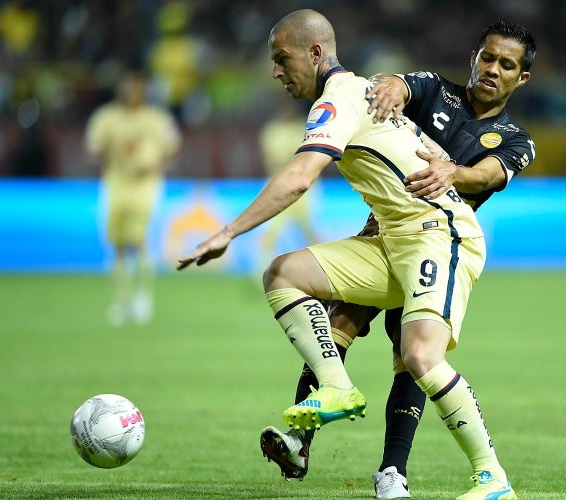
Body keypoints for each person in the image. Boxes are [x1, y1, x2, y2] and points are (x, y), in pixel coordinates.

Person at [178, 9, 517, 500]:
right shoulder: (364, 90)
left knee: (420, 355)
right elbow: (416, 126)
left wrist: (228, 232)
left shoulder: (337, 100)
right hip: (389, 236)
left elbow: (299, 178)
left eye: (281, 59)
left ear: (315, 54)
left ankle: (492, 478)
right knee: (283, 273)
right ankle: (335, 387)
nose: (275, 71)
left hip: (438, 235)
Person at [86, 71, 182, 326]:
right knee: (116, 246)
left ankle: (143, 298)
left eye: (136, 88)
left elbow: (173, 145)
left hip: (145, 188)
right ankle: (121, 300)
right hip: (115, 186)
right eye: (127, 88)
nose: (131, 93)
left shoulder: (156, 118)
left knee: (139, 241)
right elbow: (94, 147)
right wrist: (108, 153)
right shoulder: (107, 118)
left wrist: (155, 163)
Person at [257, 99, 321, 273]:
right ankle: (263, 270)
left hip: (305, 187)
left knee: (309, 231)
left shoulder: (306, 129)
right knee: (270, 231)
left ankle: (322, 269)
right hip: (279, 185)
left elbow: (308, 157)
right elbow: (274, 159)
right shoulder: (273, 130)